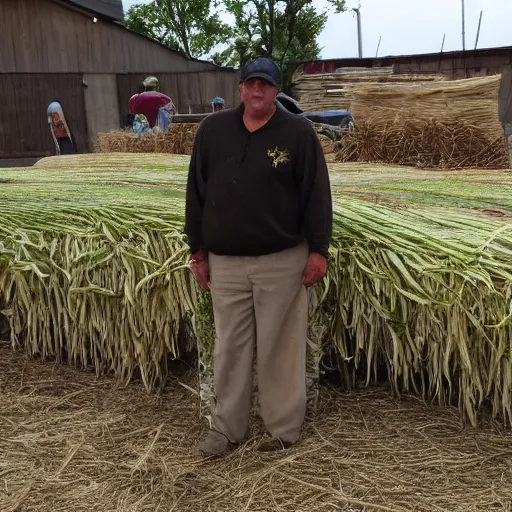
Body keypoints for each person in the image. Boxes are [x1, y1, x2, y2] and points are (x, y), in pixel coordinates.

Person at [185, 57, 332, 456]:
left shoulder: (298, 133)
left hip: (281, 259)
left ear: (276, 91)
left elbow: (317, 194)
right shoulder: (213, 131)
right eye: (250, 84)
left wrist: (318, 250)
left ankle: (283, 430)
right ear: (240, 89)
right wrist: (197, 251)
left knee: (280, 344)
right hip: (226, 262)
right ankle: (226, 429)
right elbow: (195, 193)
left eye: (264, 85)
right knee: (229, 345)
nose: (256, 91)